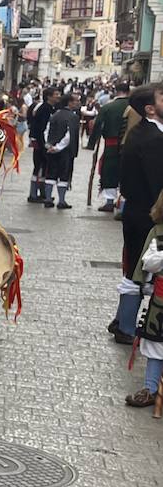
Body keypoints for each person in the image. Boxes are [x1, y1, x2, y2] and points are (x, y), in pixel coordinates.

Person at [112, 84, 163, 345]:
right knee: (139, 272)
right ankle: (126, 328)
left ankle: (122, 321)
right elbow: (158, 184)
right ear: (150, 109)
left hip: (136, 211)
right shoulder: (153, 139)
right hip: (148, 215)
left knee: (135, 268)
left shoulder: (142, 131)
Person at [125, 196, 163, 411]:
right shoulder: (158, 232)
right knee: (156, 346)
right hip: (161, 303)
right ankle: (150, 388)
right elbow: (148, 262)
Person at [89, 79, 131, 212]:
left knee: (110, 171)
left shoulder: (107, 107)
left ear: (116, 91)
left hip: (111, 145)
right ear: (128, 92)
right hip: (131, 145)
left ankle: (109, 202)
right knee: (128, 171)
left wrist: (91, 143)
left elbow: (98, 125)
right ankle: (124, 203)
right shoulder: (135, 107)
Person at [42, 90, 82, 209]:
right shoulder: (73, 117)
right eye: (75, 101)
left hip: (51, 150)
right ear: (69, 102)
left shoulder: (55, 115)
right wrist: (58, 147)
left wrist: (49, 145)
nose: (77, 103)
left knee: (51, 174)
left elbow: (46, 130)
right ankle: (62, 201)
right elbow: (69, 135)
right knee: (64, 175)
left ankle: (48, 199)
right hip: (65, 151)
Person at [28, 87, 59, 203]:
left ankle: (42, 192)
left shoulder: (49, 108)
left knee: (43, 167)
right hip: (41, 142)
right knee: (39, 167)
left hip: (42, 141)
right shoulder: (45, 109)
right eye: (56, 94)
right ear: (49, 96)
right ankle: (33, 194)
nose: (58, 96)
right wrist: (43, 145)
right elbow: (42, 128)